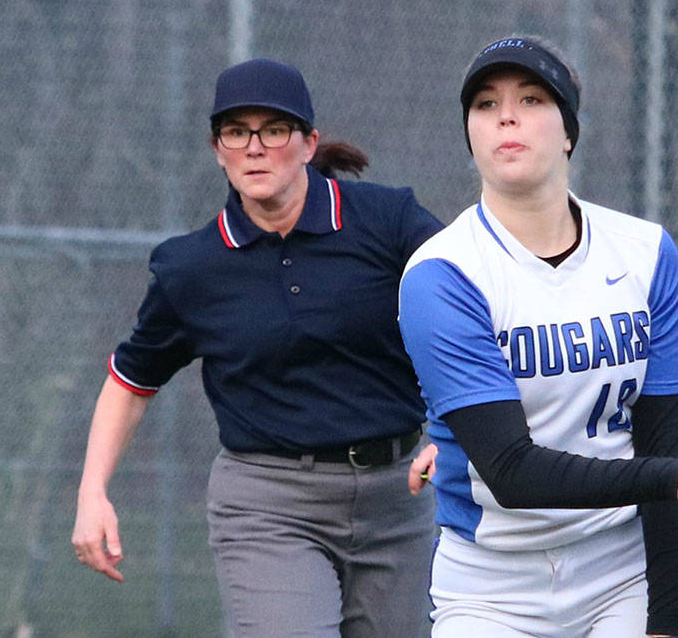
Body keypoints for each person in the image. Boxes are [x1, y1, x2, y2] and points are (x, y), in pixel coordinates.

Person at [397, 36, 678, 638]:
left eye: (531, 98)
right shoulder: (443, 276)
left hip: (624, 567)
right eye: (485, 103)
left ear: (568, 132)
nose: (506, 115)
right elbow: (510, 470)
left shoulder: (646, 254)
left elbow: (664, 438)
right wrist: (674, 477)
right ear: (471, 135)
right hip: (491, 586)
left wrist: (669, 621)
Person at [72, 58, 444, 637]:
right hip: (270, 505)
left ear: (307, 142)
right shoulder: (192, 267)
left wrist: (457, 431)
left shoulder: (387, 221)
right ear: (217, 148)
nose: (254, 147)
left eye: (274, 130)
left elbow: (468, 309)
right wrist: (92, 492)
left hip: (400, 496)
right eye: (236, 132)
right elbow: (131, 382)